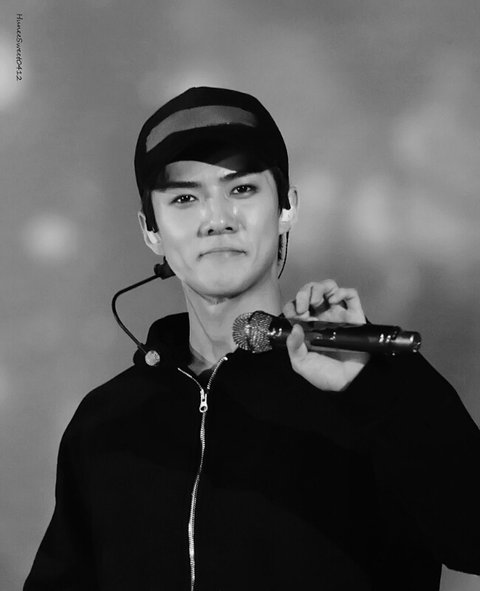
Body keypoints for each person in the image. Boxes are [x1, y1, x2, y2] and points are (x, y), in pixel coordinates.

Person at [24, 87, 480, 591]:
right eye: (184, 198)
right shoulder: (107, 421)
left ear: (287, 207)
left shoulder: (372, 382)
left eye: (241, 189)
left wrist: (370, 389)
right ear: (150, 230)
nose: (217, 220)